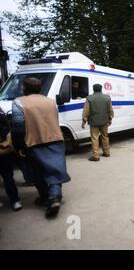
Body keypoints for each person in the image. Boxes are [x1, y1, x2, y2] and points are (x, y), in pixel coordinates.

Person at [10, 77, 71, 218]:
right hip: (56, 139)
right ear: (40, 88)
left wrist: (18, 145)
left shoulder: (19, 102)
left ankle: (45, 198)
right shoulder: (50, 101)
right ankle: (55, 198)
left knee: (37, 172)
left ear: (24, 88)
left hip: (33, 142)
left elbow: (18, 127)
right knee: (55, 171)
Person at [82, 84, 114, 161]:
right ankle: (106, 152)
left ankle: (95, 156)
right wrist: (110, 119)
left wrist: (84, 121)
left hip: (94, 122)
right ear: (101, 89)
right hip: (104, 121)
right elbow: (110, 110)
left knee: (94, 138)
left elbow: (86, 111)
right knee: (105, 136)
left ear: (93, 89)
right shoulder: (107, 97)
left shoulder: (89, 98)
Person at [0, 106, 22, 211]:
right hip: (3, 149)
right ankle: (15, 200)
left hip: (3, 149)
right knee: (8, 177)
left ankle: (15, 200)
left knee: (8, 176)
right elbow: (7, 129)